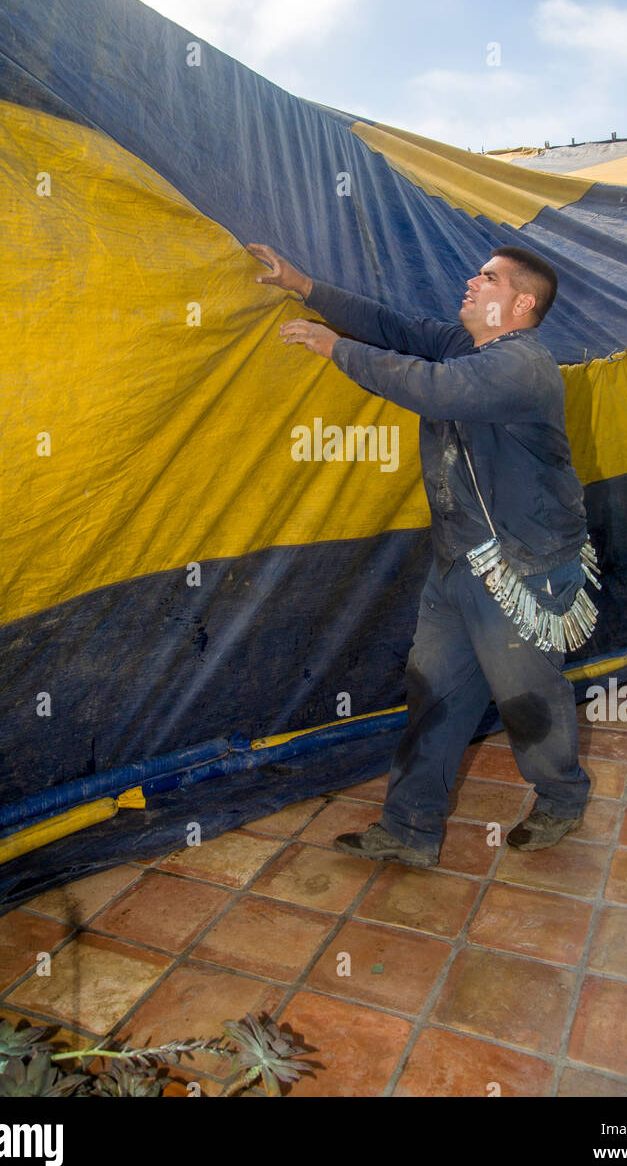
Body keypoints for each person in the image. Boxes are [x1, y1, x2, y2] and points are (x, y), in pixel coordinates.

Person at [247, 241, 592, 866]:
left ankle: (562, 799)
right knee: (434, 692)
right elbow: (399, 330)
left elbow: (429, 388)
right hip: (458, 561)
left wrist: (334, 348)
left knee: (529, 698)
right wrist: (306, 286)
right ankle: (409, 829)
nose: (470, 282)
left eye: (485, 278)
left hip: (521, 570)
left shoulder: (523, 368)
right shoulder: (471, 348)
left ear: (520, 302)